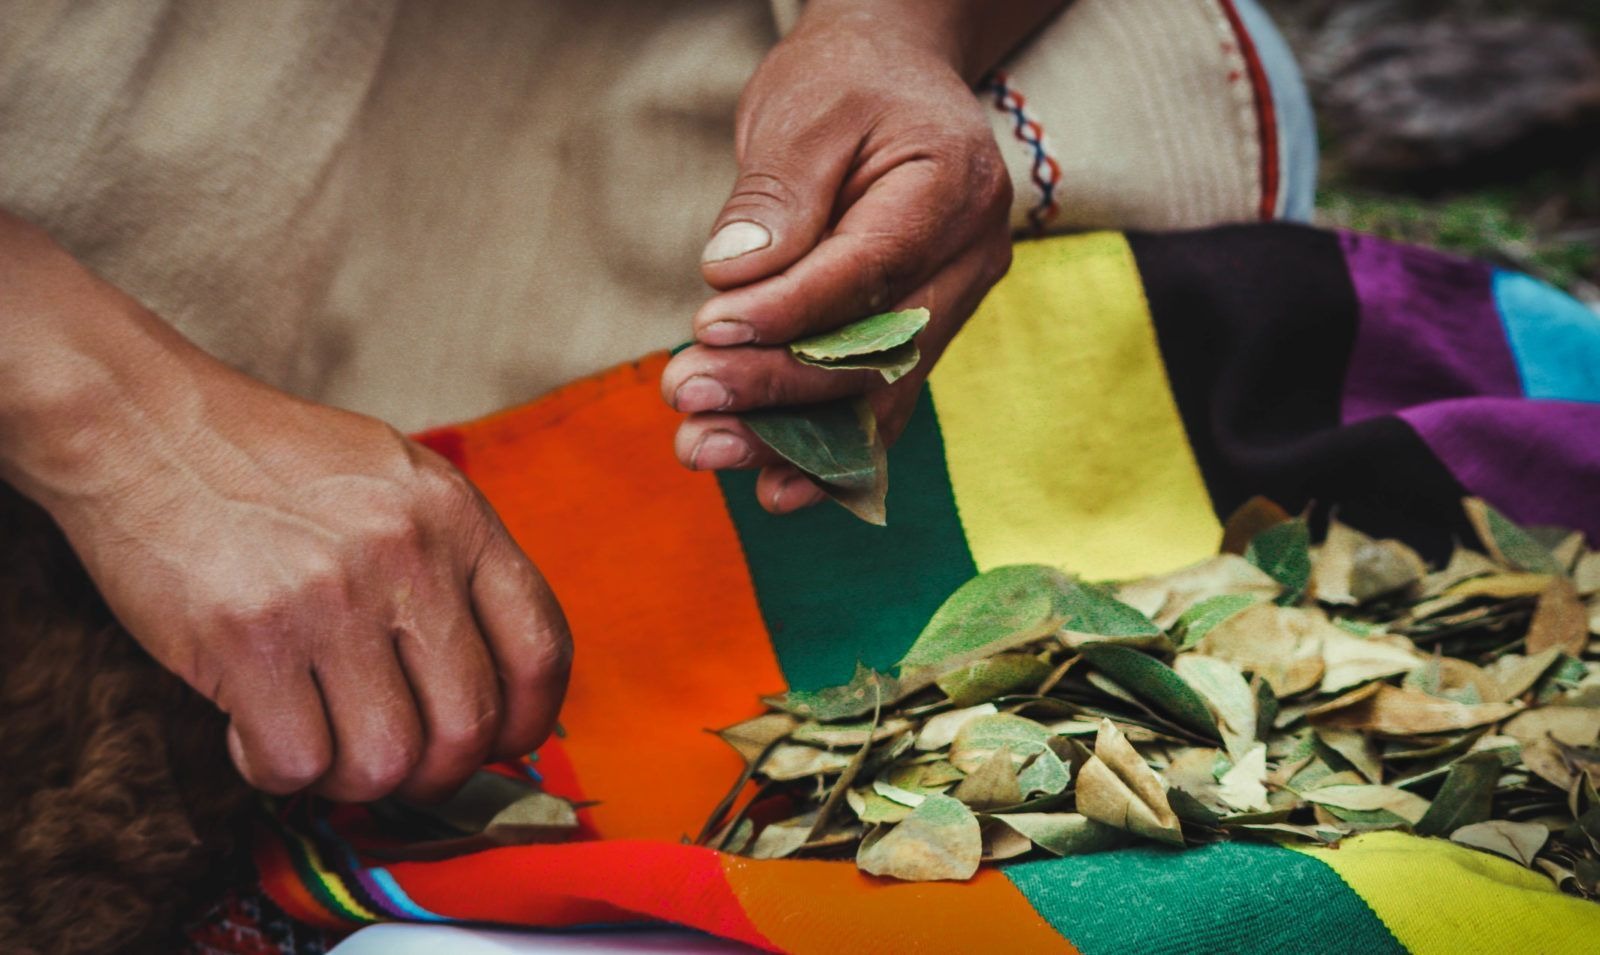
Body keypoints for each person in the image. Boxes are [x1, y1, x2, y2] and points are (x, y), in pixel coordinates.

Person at [0, 0, 1312, 808]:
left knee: (1103, 97)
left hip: (604, 66)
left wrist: (890, 32)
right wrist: (118, 422)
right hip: (77, 169)